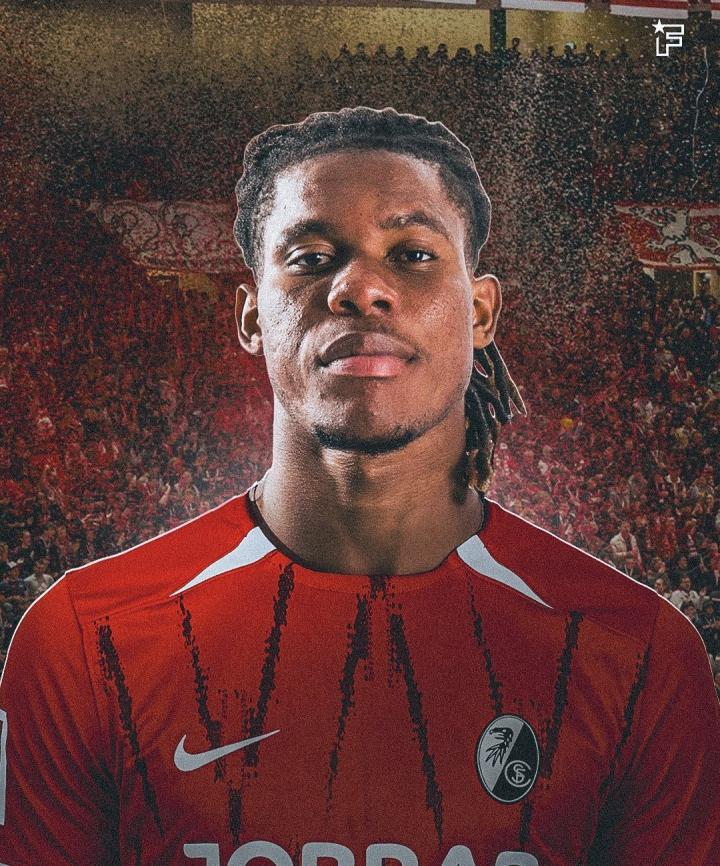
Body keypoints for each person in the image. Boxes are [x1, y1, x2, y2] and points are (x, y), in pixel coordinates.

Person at [1, 107, 718, 866]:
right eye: (311, 257)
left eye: (412, 254)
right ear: (251, 314)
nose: (361, 288)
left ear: (480, 312)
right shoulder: (85, 643)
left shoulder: (639, 656)